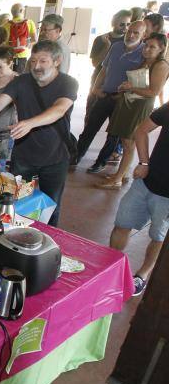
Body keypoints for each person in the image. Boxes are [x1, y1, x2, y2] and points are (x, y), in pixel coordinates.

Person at [0, 40, 78, 226]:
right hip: (24, 155)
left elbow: (59, 109)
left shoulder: (68, 83)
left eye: (43, 61)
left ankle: (48, 241)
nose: (36, 66)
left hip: (55, 156)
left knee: (51, 205)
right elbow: (1, 101)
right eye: (33, 61)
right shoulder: (21, 81)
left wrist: (29, 123)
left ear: (57, 61)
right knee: (15, 203)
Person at [109, 102, 169, 297]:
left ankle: (142, 275)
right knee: (122, 224)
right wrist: (143, 162)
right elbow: (141, 130)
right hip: (146, 182)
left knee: (158, 237)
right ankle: (112, 265)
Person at [96, 33, 169, 189]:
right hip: (130, 102)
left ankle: (118, 178)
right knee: (125, 139)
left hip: (140, 106)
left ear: (161, 48)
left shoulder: (161, 65)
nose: (147, 49)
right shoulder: (146, 61)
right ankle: (121, 174)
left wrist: (131, 87)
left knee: (129, 142)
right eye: (146, 45)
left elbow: (153, 92)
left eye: (152, 47)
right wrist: (126, 87)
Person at [76, 20, 146, 171]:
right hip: (104, 95)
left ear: (143, 35)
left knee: (113, 135)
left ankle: (100, 162)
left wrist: (124, 95)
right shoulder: (116, 47)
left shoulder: (143, 53)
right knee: (90, 128)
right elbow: (104, 69)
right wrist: (95, 88)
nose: (131, 35)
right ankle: (76, 156)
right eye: (130, 31)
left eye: (136, 33)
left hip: (123, 100)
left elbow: (142, 81)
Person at [4, 3, 37, 73]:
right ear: (22, 10)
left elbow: (3, 43)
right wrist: (28, 44)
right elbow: (35, 40)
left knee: (8, 77)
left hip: (9, 56)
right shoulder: (30, 23)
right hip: (23, 56)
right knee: (19, 77)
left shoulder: (6, 25)